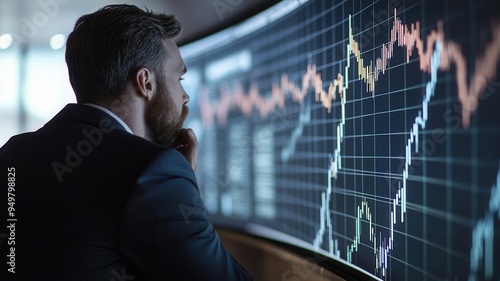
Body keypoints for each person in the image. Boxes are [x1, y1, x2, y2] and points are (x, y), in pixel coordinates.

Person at [0, 4, 252, 281]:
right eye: (179, 78)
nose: (185, 96)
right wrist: (184, 197)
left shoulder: (14, 152)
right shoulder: (155, 171)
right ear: (145, 82)